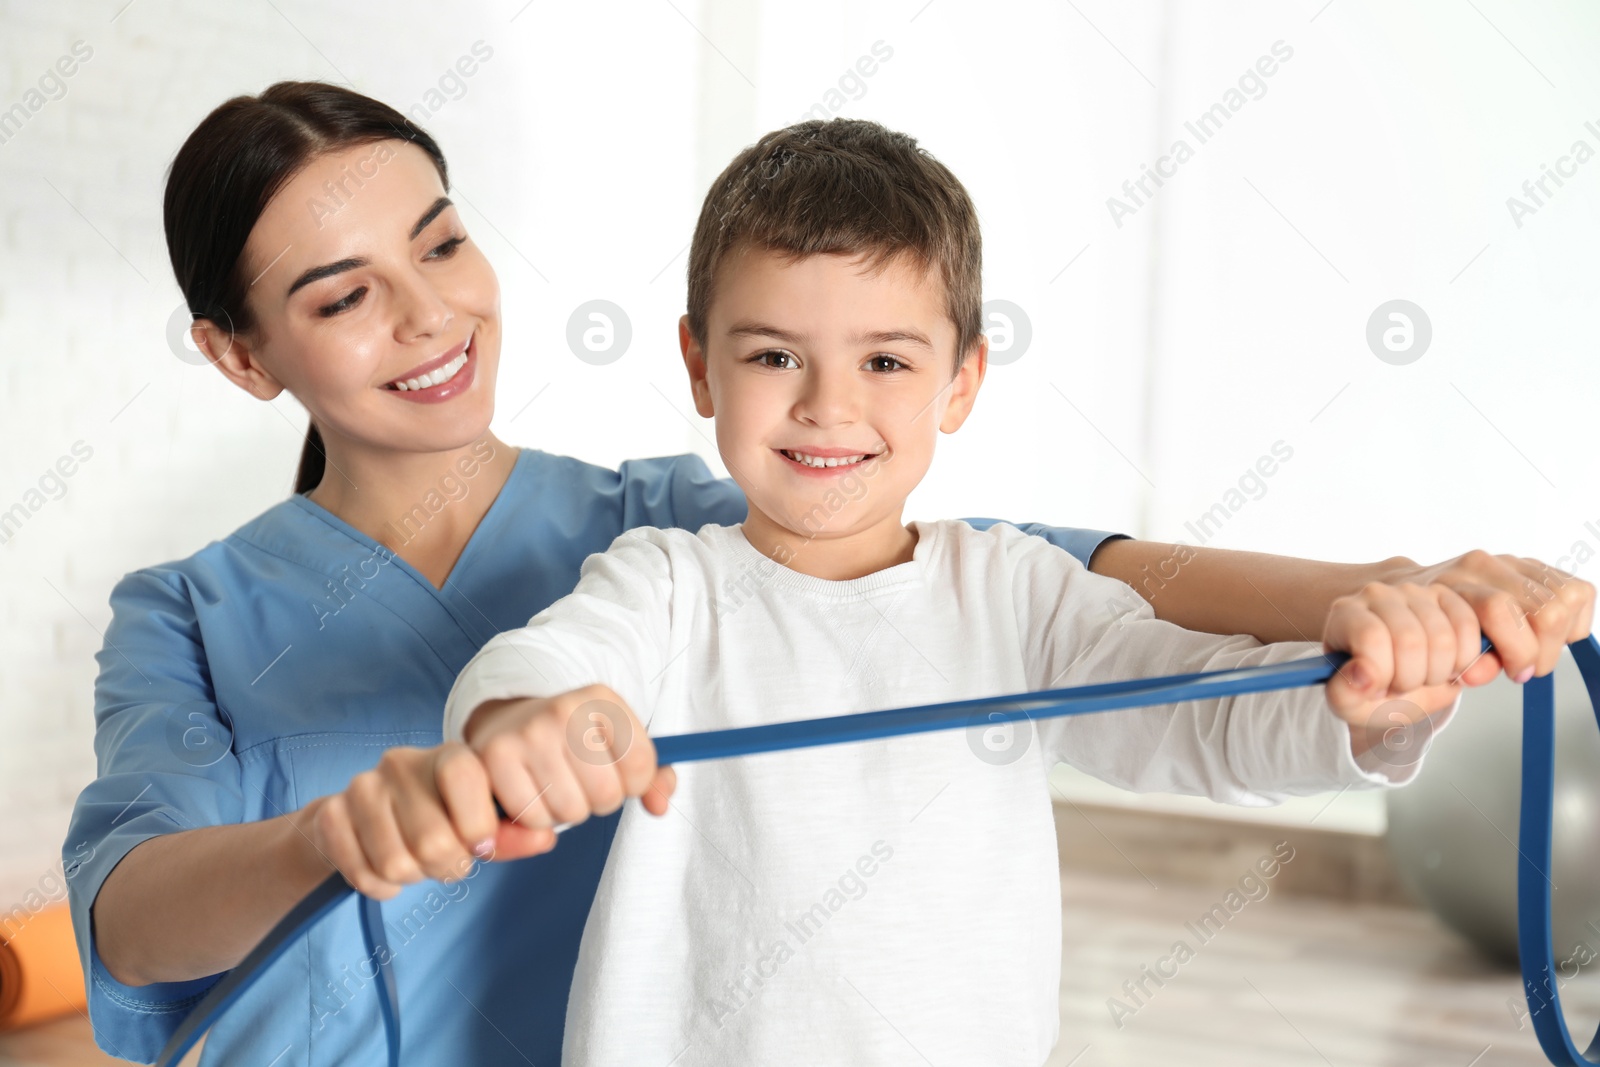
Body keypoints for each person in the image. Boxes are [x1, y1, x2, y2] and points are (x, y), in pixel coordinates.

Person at [62, 83, 1591, 1067]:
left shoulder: (718, 518)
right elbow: (131, 922)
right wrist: (401, 802)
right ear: (240, 353)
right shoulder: (203, 615)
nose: (425, 314)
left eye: (443, 245)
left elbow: (1083, 603)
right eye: (342, 295)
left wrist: (1387, 618)